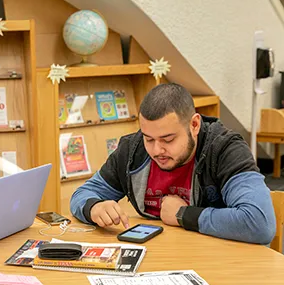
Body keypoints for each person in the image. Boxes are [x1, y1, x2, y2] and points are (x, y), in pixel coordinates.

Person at [70, 83, 276, 244]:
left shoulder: (225, 149)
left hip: (223, 263)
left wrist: (183, 215)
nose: (156, 150)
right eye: (148, 138)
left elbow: (259, 222)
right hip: (163, 258)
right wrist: (94, 207)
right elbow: (81, 195)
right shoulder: (132, 150)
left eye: (168, 140)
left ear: (194, 125)